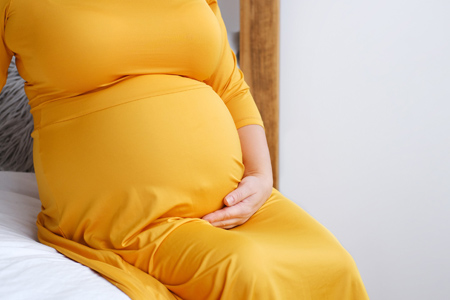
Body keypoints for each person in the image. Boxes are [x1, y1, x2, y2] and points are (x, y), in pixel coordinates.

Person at [0, 0, 370, 299]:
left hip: (230, 200)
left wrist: (260, 176)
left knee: (333, 265)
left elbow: (229, 85)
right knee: (245, 272)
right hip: (125, 213)